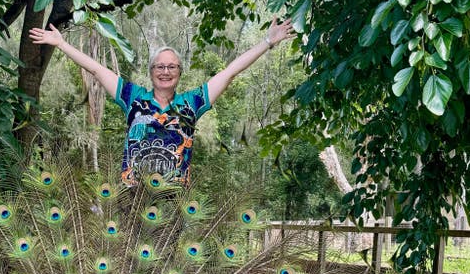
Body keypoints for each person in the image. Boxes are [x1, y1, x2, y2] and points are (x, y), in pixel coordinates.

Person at [29, 17, 294, 186]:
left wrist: (267, 42)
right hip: (132, 193)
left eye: (172, 67)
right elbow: (97, 70)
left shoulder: (193, 103)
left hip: (175, 196)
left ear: (179, 73)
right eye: (159, 66)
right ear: (151, 71)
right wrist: (62, 45)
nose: (165, 71)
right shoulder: (133, 98)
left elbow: (229, 72)